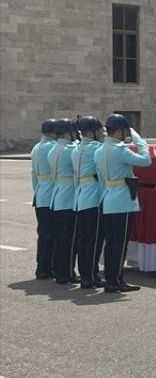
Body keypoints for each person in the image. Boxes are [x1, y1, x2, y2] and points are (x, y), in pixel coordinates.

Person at [95, 114, 152, 293]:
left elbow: (102, 179)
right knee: (120, 243)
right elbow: (146, 161)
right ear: (119, 131)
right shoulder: (119, 149)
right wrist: (141, 142)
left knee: (112, 242)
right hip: (122, 201)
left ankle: (112, 278)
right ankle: (115, 281)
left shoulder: (99, 150)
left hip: (107, 198)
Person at [71, 116, 106, 289]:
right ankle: (90, 276)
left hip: (81, 196)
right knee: (94, 240)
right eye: (99, 130)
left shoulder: (76, 149)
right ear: (92, 132)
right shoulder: (96, 149)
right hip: (93, 196)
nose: (101, 133)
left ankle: (87, 274)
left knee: (84, 239)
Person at [49, 119, 80, 285]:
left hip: (57, 194)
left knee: (61, 238)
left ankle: (60, 271)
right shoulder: (70, 150)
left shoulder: (53, 149)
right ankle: (67, 273)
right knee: (69, 239)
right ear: (68, 133)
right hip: (69, 198)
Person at [30, 119, 57, 280]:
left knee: (44, 233)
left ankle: (42, 266)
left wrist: (38, 190)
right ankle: (48, 267)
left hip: (40, 192)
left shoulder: (36, 148)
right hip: (51, 194)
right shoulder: (52, 147)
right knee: (52, 234)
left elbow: (33, 175)